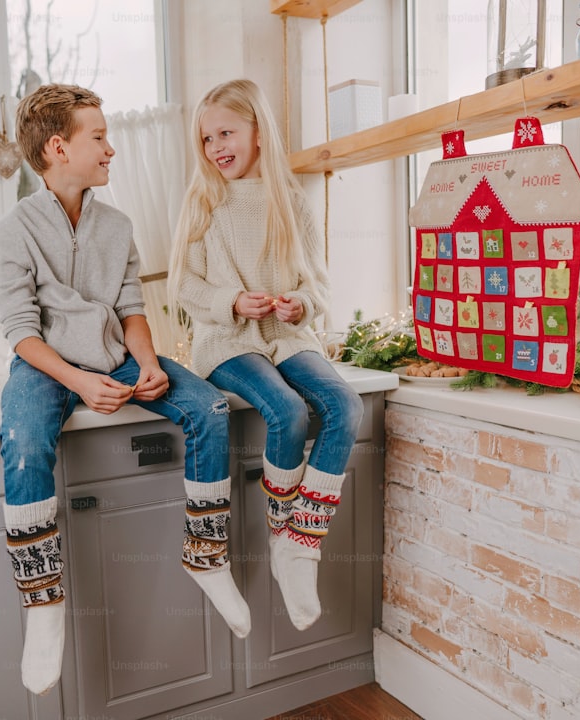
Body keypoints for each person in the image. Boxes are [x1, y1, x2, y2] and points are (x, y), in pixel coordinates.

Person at [0, 84, 250, 696]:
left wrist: (149, 364)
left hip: (117, 358)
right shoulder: (13, 230)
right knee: (24, 442)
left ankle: (206, 557)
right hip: (46, 368)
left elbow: (132, 307)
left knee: (207, 405)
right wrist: (78, 381)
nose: (111, 149)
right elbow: (21, 333)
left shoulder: (117, 224)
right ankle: (42, 605)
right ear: (58, 148)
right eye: (98, 137)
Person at [167, 78, 364, 632]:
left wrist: (300, 303)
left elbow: (319, 285)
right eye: (206, 139)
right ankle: (286, 537)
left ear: (258, 132)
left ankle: (300, 544)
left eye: (226, 132)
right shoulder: (203, 202)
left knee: (346, 407)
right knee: (288, 411)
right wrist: (231, 300)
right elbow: (183, 286)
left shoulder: (292, 202)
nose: (215, 147)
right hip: (227, 343)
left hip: (287, 338)